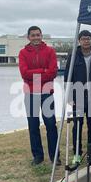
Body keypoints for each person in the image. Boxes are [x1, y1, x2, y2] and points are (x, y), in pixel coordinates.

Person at [18, 26, 60, 166]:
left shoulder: (50, 51)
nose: (36, 37)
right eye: (33, 35)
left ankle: (55, 156)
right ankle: (38, 156)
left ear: (41, 36)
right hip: (30, 94)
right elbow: (24, 73)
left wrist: (35, 74)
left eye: (38, 35)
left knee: (51, 125)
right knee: (33, 125)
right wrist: (43, 71)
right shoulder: (23, 53)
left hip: (46, 93)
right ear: (28, 37)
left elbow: (53, 72)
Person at [64, 30, 91, 162]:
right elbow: (67, 77)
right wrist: (69, 97)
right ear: (79, 41)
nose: (86, 41)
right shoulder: (73, 56)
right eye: (83, 39)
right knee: (77, 125)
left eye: (88, 39)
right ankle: (77, 153)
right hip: (78, 96)